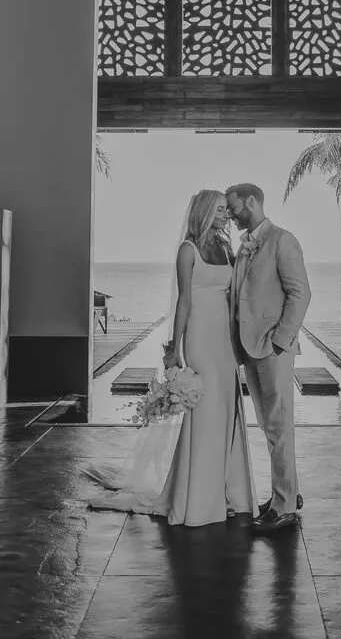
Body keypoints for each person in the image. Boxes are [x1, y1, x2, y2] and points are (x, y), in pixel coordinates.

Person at [85, 189, 256, 527]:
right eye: (221, 210)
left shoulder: (225, 248)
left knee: (228, 410)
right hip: (200, 341)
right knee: (206, 414)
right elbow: (184, 303)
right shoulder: (188, 250)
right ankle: (198, 499)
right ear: (205, 212)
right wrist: (174, 349)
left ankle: (232, 493)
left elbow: (240, 290)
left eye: (227, 210)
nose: (226, 216)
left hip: (224, 342)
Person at [225, 183, 311, 533]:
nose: (229, 215)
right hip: (249, 348)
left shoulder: (282, 240)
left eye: (233, 208)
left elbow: (300, 294)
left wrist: (280, 340)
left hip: (272, 349)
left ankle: (284, 507)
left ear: (251, 201)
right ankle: (286, 494)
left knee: (279, 426)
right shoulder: (244, 246)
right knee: (269, 425)